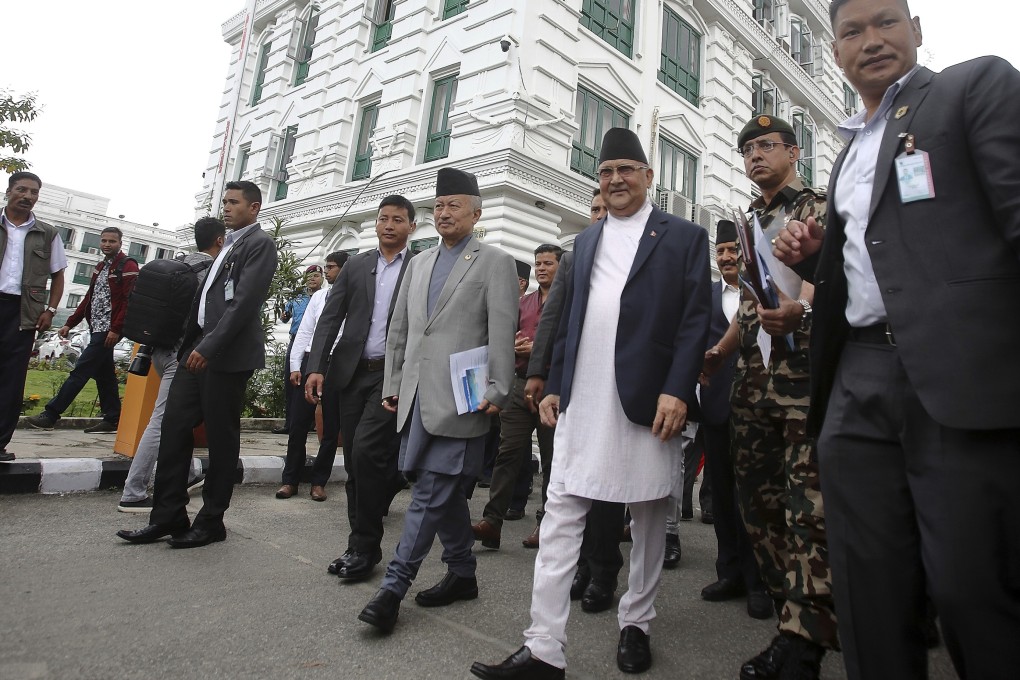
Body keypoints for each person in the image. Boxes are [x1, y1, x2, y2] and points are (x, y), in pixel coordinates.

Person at [772, 1, 1020, 677]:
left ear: (918, 31)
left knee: (974, 592)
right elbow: (873, 261)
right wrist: (814, 258)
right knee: (868, 597)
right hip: (856, 381)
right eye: (852, 31)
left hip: (954, 380)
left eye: (887, 21)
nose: (872, 40)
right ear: (835, 52)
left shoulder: (975, 87)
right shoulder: (848, 145)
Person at [471, 128, 710, 678]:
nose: (615, 180)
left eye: (626, 169)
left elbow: (695, 319)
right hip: (583, 398)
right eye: (605, 172)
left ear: (649, 177)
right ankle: (543, 647)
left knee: (649, 514)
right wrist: (551, 381)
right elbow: (570, 321)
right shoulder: (585, 242)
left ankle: (637, 623)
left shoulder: (683, 237)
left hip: (649, 401)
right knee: (560, 513)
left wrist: (678, 388)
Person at [703, 115, 837, 679]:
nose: (755, 156)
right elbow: (752, 302)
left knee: (810, 508)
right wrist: (720, 350)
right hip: (753, 381)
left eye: (766, 146)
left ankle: (802, 641)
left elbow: (817, 274)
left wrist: (801, 310)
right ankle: (796, 609)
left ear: (794, 152)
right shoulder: (748, 218)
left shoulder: (820, 207)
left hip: (804, 379)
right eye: (747, 149)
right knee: (757, 503)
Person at [356, 168, 518, 633]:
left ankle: (392, 589)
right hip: (415, 397)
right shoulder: (420, 261)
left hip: (464, 397)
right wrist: (393, 383)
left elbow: (502, 332)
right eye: (439, 206)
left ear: (476, 212)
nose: (444, 213)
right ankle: (463, 574)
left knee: (429, 491)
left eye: (454, 205)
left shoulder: (495, 262)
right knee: (437, 487)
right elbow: (402, 330)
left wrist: (498, 389)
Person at [116, 180, 278, 549]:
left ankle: (211, 522)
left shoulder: (259, 245)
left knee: (221, 440)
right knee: (174, 428)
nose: (226, 207)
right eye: (225, 201)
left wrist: (209, 346)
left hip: (225, 355)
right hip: (196, 350)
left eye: (234, 202)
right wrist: (190, 343)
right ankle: (168, 515)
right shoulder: (229, 243)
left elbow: (244, 304)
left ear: (253, 208)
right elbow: (207, 298)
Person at [302, 195, 417, 581]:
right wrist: (317, 366)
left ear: (411, 227)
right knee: (354, 459)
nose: (388, 225)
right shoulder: (357, 266)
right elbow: (330, 318)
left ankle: (365, 547)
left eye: (397, 219)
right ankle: (358, 544)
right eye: (383, 218)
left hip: (391, 376)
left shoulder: (420, 268)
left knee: (367, 451)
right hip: (351, 375)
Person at [524, 187, 627, 615]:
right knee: (571, 479)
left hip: (621, 387)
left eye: (607, 208)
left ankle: (604, 571)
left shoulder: (634, 255)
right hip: (574, 385)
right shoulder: (574, 257)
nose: (600, 215)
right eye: (595, 209)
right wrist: (537, 373)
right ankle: (580, 565)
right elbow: (552, 318)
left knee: (605, 486)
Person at [117, 217, 226, 512]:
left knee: (181, 416)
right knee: (163, 420)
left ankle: (189, 474)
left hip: (156, 351)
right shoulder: (209, 274)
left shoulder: (179, 264)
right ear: (219, 240)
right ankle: (133, 491)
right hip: (183, 356)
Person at [697, 220, 771, 620]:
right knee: (723, 496)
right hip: (716, 409)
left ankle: (761, 582)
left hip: (760, 409)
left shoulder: (764, 292)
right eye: (721, 250)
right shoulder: (707, 295)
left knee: (755, 498)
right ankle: (729, 574)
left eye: (732, 249)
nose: (726, 256)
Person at [472, 244, 561, 550]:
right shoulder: (524, 303)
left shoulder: (568, 303)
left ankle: (546, 523)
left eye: (548, 263)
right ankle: (491, 521)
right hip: (518, 386)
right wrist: (511, 343)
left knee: (552, 460)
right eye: (539, 263)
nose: (542, 268)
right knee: (507, 453)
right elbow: (504, 333)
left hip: (553, 389)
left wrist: (537, 349)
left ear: (561, 267)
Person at [27, 226, 138, 433]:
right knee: (105, 375)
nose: (106, 244)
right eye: (104, 240)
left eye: (111, 241)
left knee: (81, 370)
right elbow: (89, 298)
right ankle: (112, 418)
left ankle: (51, 414)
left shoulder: (128, 265)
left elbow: (128, 300)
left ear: (120, 243)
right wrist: (70, 323)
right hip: (96, 327)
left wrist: (116, 329)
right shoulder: (100, 267)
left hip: (108, 329)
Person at [1, 172, 66, 462]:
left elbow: (58, 275)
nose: (28, 196)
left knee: (12, 380)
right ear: (9, 191)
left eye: (34, 192)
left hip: (24, 313)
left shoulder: (47, 233)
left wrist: (50, 310)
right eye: (22, 190)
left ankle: (0, 443)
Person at [275, 251, 349, 501]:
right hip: (311, 360)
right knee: (298, 424)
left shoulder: (356, 297)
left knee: (330, 429)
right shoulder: (319, 297)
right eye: (325, 267)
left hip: (338, 364)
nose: (326, 272)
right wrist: (296, 365)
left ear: (345, 269)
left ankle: (319, 482)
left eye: (331, 267)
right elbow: (305, 332)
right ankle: (290, 480)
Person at [274, 266, 324, 435]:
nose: (312, 279)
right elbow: (284, 316)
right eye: (309, 276)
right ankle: (290, 423)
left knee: (314, 382)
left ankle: (311, 423)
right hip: (296, 342)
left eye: (316, 276)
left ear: (322, 278)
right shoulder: (297, 297)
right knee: (292, 382)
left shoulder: (325, 297)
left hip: (315, 345)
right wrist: (284, 316)